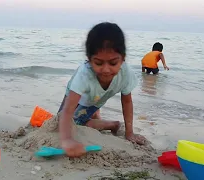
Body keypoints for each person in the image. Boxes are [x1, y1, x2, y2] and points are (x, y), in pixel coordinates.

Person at [57, 22, 146, 158]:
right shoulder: (84, 74)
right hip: (77, 96)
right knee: (61, 121)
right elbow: (68, 109)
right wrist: (67, 140)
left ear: (123, 59)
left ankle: (113, 125)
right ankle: (96, 116)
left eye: (113, 63)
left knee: (80, 122)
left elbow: (127, 102)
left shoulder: (126, 72)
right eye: (98, 63)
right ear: (89, 60)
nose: (106, 70)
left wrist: (129, 133)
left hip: (96, 99)